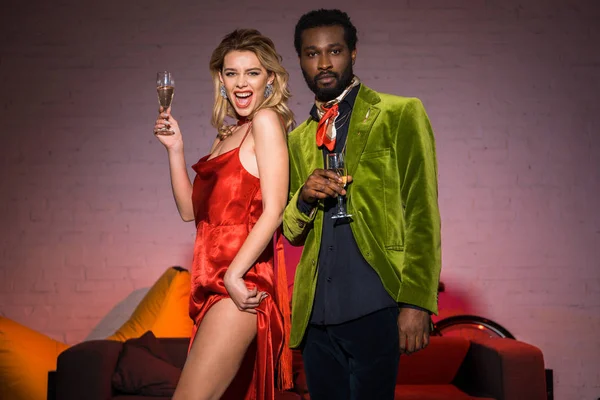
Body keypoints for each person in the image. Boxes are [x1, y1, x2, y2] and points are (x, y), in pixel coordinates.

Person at [282, 9, 442, 400]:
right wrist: (302, 197)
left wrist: (416, 303)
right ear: (300, 60)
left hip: (377, 302)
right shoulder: (298, 138)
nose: (323, 62)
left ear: (353, 53)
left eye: (334, 50)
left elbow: (422, 212)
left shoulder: (400, 113)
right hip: (316, 313)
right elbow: (291, 231)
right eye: (311, 53)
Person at [153, 29, 294, 400]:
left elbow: (275, 208)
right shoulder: (227, 135)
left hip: (240, 284)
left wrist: (234, 275)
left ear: (270, 79)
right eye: (231, 73)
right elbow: (190, 212)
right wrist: (175, 149)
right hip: (210, 284)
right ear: (221, 80)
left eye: (252, 72)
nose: (241, 83)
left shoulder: (265, 123)